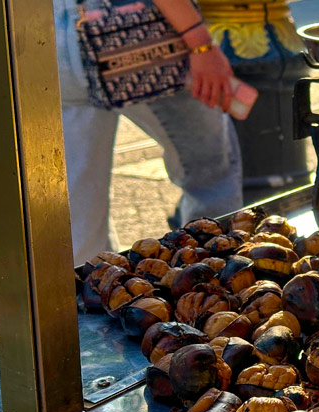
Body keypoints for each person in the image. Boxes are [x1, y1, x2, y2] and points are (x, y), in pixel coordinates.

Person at [53, 0, 243, 263]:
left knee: (79, 201)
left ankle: (99, 290)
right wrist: (201, 43)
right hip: (137, 37)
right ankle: (207, 280)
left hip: (52, 37)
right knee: (211, 175)